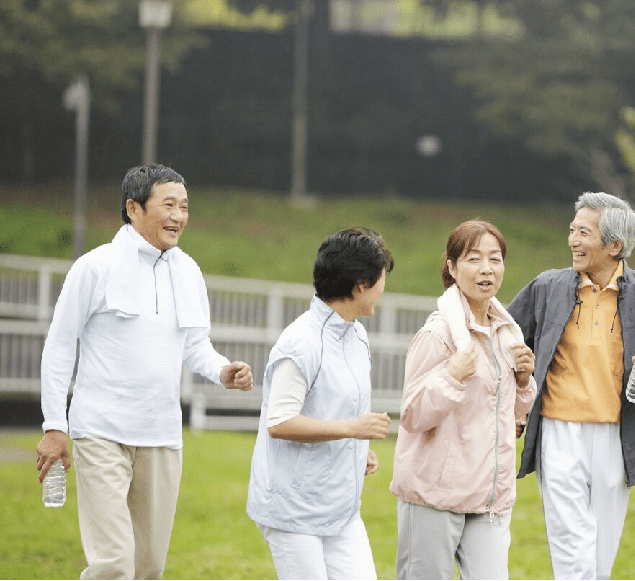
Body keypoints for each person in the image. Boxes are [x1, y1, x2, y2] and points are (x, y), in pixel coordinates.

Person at [36, 164, 254, 580]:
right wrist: (53, 425)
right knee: (114, 564)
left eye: (184, 207)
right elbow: (60, 347)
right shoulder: (94, 267)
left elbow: (195, 346)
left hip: (162, 437)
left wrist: (223, 371)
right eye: (168, 205)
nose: (178, 216)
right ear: (133, 208)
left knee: (148, 568)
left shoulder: (188, 271)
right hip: (100, 432)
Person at [507, 192, 635, 580]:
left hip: (617, 435)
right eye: (572, 230)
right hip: (558, 430)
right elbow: (503, 335)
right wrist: (517, 387)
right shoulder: (547, 286)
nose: (572, 240)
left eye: (583, 233)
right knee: (571, 544)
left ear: (615, 245)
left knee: (601, 551)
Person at [390, 220, 538, 580]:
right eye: (474, 259)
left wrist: (522, 381)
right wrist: (451, 375)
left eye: (495, 259)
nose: (487, 269)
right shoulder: (437, 334)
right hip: (433, 497)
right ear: (453, 268)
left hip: (489, 499)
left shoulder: (507, 333)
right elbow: (412, 415)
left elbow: (510, 416)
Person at [246, 227, 394, 580]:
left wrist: (356, 451)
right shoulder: (300, 343)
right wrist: (350, 430)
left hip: (341, 511)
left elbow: (333, 408)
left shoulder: (356, 334)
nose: (383, 288)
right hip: (293, 511)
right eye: (381, 279)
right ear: (361, 284)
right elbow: (280, 422)